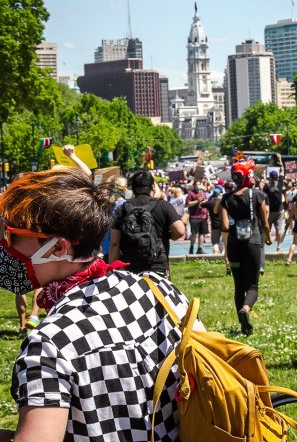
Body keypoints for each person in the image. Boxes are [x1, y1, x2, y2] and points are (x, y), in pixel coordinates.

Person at [0, 168, 197, 442]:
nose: (4, 248)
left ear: (58, 248)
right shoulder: (160, 290)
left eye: (9, 237)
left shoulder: (48, 346)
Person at [219, 160, 270, 335]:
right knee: (253, 286)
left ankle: (242, 326)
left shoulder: (226, 199)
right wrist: (268, 238)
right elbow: (264, 222)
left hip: (234, 244)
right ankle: (246, 310)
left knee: (238, 285)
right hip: (253, 243)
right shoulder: (257, 195)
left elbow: (225, 226)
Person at [109, 169, 185, 276]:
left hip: (129, 268)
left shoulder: (122, 209)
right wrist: (167, 235)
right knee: (158, 292)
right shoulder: (163, 206)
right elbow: (180, 231)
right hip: (157, 266)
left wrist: (113, 270)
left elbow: (114, 243)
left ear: (132, 189)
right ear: (153, 187)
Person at [185, 181, 208, 255]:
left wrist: (204, 202)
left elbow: (206, 201)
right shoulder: (190, 194)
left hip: (203, 216)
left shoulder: (203, 193)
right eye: (196, 185)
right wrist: (197, 201)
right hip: (194, 216)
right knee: (194, 234)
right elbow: (188, 204)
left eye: (199, 185)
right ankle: (191, 247)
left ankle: (200, 249)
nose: (198, 187)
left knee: (202, 233)